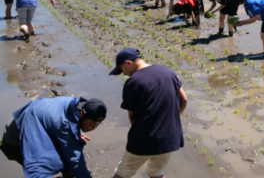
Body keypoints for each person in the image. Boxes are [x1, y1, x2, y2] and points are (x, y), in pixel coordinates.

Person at [108, 48, 187, 178]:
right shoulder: (168, 72)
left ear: (129, 63)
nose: (123, 74)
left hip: (144, 138)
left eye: (121, 69)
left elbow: (132, 117)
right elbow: (184, 99)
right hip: (170, 136)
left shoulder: (133, 82)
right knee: (156, 172)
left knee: (124, 172)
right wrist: (172, 119)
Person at [1, 97, 107, 178]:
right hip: (16, 140)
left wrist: (75, 132)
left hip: (36, 125)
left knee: (73, 144)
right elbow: (76, 160)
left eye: (97, 125)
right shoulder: (63, 123)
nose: (93, 128)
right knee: (43, 167)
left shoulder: (74, 105)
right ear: (81, 114)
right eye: (92, 124)